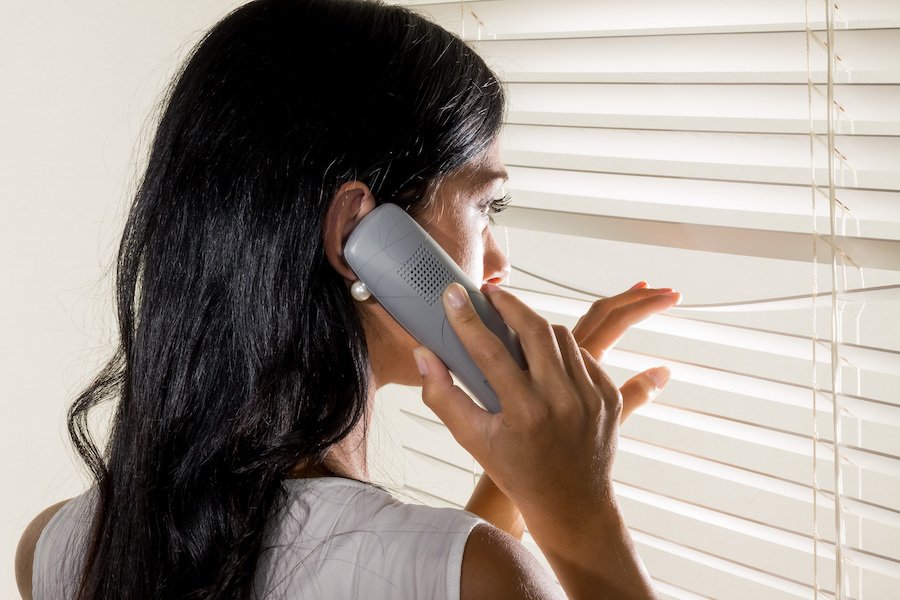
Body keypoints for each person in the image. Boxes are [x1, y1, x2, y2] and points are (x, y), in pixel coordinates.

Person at [15, 0, 680, 598]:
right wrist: (582, 515)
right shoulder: (482, 576)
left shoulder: (57, 547)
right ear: (358, 235)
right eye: (486, 206)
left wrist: (528, 474)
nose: (498, 260)